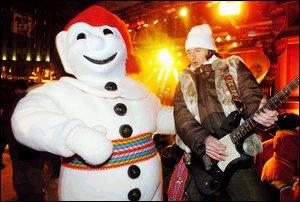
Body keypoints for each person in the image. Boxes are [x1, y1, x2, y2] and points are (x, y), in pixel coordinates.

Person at [173, 24, 279, 201]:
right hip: (201, 160)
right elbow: (182, 118)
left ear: (209, 49)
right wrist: (203, 139)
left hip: (237, 156)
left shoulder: (232, 68)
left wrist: (262, 113)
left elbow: (252, 97)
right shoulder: (184, 81)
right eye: (189, 52)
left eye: (197, 50)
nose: (192, 57)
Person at [3, 80, 46, 201]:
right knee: (34, 175)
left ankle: (23, 196)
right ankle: (37, 196)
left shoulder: (10, 104)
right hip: (33, 149)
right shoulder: (34, 103)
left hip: (17, 149)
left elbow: (4, 128)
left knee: (20, 175)